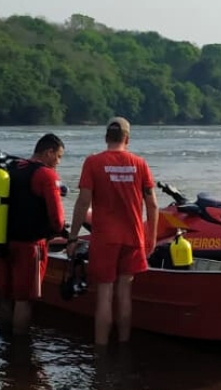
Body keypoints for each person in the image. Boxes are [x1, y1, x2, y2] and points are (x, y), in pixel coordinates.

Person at [66, 117, 159, 346]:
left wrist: (73, 237)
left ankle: (101, 351)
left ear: (106, 137)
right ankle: (124, 345)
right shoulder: (140, 163)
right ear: (127, 139)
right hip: (133, 237)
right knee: (125, 293)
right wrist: (152, 238)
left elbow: (82, 201)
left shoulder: (93, 162)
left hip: (105, 239)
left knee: (105, 294)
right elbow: (153, 205)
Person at [2, 133, 66, 335]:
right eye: (59, 157)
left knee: (5, 295)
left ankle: (3, 343)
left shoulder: (11, 168)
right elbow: (57, 220)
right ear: (49, 152)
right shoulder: (46, 175)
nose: (58, 162)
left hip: (2, 242)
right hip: (31, 246)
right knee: (24, 299)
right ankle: (21, 351)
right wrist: (62, 232)